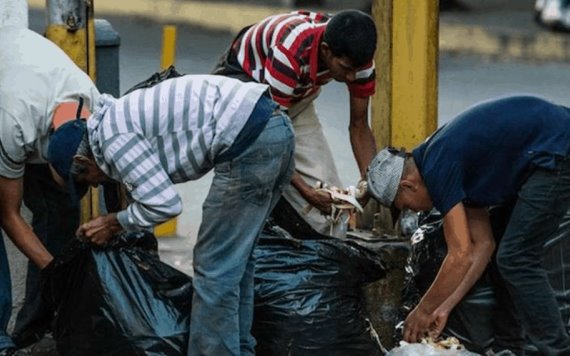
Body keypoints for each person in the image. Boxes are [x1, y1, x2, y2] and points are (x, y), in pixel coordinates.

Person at [46, 74, 295, 355]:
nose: (93, 185)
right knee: (236, 263)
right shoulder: (114, 121)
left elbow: (164, 204)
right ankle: (240, 349)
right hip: (276, 127)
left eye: (87, 179)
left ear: (82, 160)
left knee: (214, 267)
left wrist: (114, 222)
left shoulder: (112, 139)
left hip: (251, 139)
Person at [366, 95, 570, 354]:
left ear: (408, 185)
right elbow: (482, 246)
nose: (413, 211)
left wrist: (423, 311)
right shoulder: (442, 161)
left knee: (517, 258)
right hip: (544, 152)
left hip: (557, 149)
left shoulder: (438, 164)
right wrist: (444, 306)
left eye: (405, 205)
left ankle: (558, 350)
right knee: (504, 257)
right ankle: (512, 347)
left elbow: (460, 254)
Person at [213, 9, 377, 238]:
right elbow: (270, 134)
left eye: (356, 71)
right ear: (326, 51)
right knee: (254, 187)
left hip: (293, 98)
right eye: (346, 69)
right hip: (248, 94)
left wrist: (369, 183)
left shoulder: (361, 63)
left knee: (334, 211)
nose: (351, 78)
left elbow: (359, 126)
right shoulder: (290, 49)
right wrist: (307, 192)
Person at [0, 27, 100, 354]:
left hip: (33, 90)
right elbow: (9, 215)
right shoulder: (13, 122)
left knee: (61, 211)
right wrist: (58, 271)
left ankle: (36, 327)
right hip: (9, 99)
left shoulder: (94, 108)